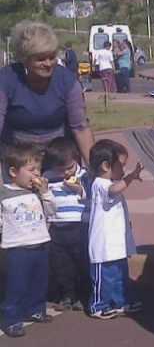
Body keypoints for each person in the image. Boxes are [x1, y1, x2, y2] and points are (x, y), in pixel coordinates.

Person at [0, 21, 94, 160]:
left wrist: (96, 172)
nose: (48, 64)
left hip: (60, 157)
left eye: (52, 57)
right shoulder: (6, 79)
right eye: (41, 59)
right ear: (25, 60)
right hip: (17, 158)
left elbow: (80, 128)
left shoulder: (68, 81)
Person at [0, 143, 57, 337]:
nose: (36, 174)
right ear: (13, 171)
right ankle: (11, 319)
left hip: (41, 243)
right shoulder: (4, 193)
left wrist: (46, 193)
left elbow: (51, 212)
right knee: (17, 284)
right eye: (31, 170)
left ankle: (35, 309)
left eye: (38, 169)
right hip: (17, 248)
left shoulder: (37, 192)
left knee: (39, 281)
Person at [87, 139, 144, 319]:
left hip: (115, 243)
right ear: (105, 166)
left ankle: (120, 302)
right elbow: (114, 189)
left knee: (119, 275)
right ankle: (98, 305)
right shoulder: (100, 184)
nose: (123, 170)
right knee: (104, 278)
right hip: (102, 245)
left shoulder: (109, 184)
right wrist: (131, 176)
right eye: (121, 165)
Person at [43, 137, 89, 312]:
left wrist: (79, 188)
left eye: (69, 168)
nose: (65, 173)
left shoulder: (83, 175)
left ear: (76, 159)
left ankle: (83, 294)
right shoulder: (48, 176)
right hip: (57, 226)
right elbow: (46, 198)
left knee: (81, 261)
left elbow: (89, 196)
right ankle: (67, 295)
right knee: (61, 264)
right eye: (60, 169)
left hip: (78, 225)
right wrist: (43, 189)